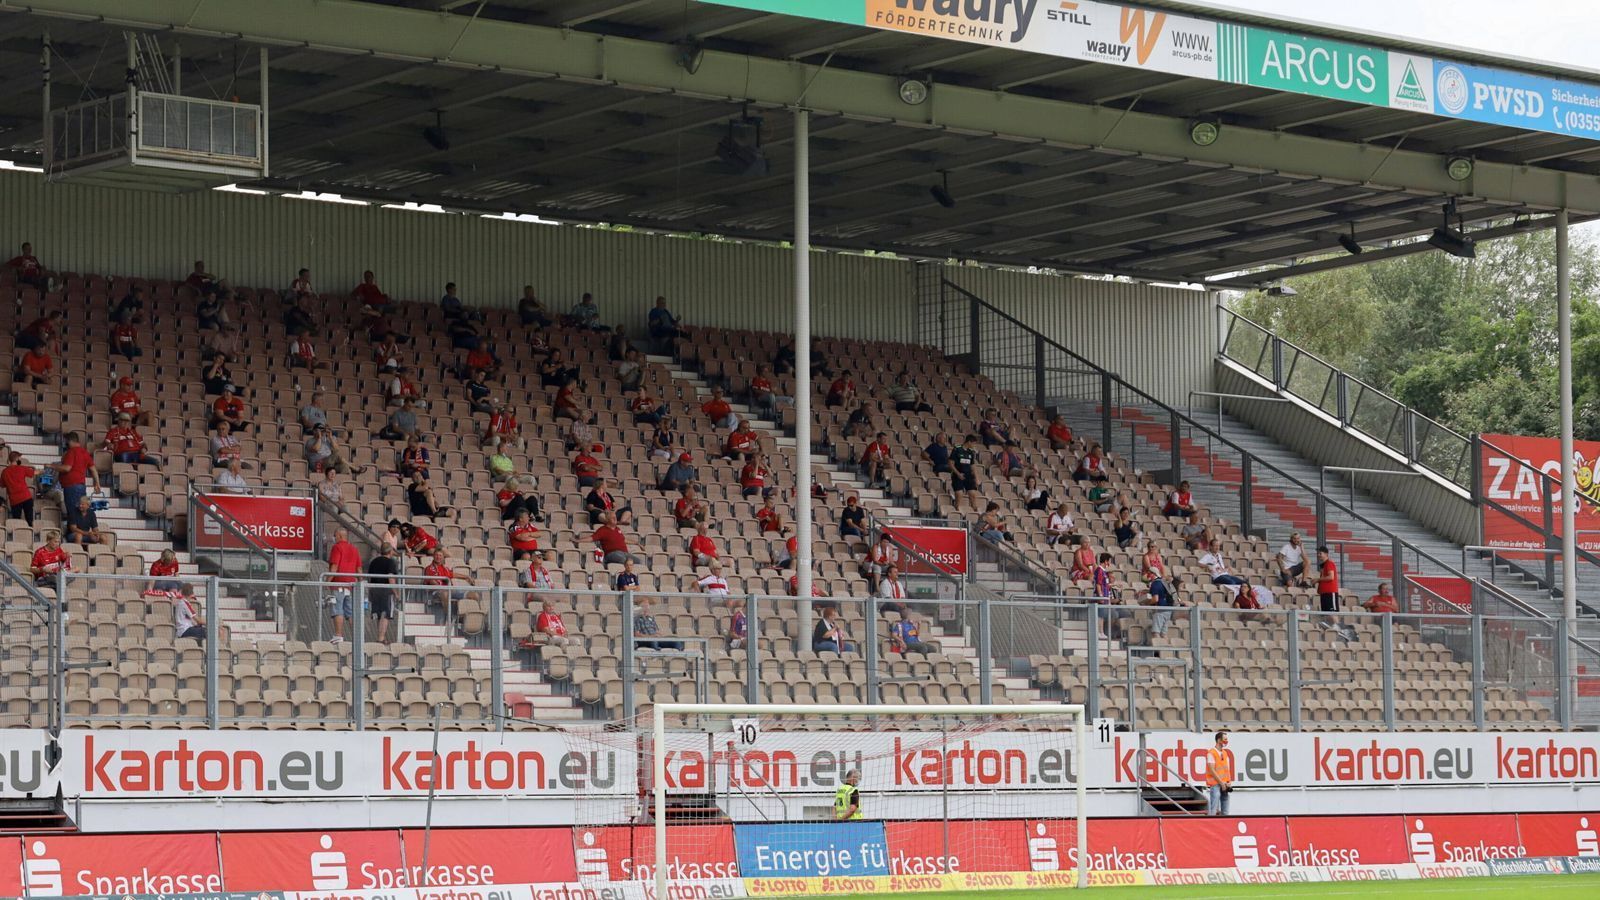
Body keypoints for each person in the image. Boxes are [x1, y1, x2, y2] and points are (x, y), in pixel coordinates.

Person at [326, 529, 362, 643]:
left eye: (335, 535)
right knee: (350, 612)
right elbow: (359, 569)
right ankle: (356, 637)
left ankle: (338, 635)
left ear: (340, 536)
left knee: (337, 609)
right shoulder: (354, 549)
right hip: (350, 585)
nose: (334, 537)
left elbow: (334, 566)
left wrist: (326, 581)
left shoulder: (337, 547)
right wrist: (360, 582)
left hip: (338, 584)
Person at [365, 543, 400, 643]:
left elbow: (369, 577)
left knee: (379, 614)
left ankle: (380, 637)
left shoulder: (373, 561)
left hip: (374, 589)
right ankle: (381, 638)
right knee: (385, 614)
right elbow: (391, 578)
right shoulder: (390, 562)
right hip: (385, 590)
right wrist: (396, 593)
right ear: (390, 551)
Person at [54, 432, 95, 512]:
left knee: (72, 512)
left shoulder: (71, 451)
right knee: (80, 512)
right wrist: (97, 484)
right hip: (81, 487)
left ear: (70, 441)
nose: (66, 443)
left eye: (66, 441)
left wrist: (52, 466)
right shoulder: (85, 453)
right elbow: (93, 469)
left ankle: (72, 524)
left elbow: (67, 468)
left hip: (71, 487)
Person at [2, 451, 36, 525]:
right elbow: (34, 473)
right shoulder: (22, 468)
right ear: (17, 459)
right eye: (19, 458)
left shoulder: (4, 472)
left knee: (16, 522)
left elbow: (2, 485)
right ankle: (30, 534)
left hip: (14, 500)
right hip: (26, 497)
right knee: (30, 520)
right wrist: (42, 471)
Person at [948, 435, 981, 512]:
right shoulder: (957, 449)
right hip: (958, 475)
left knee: (972, 494)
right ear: (969, 442)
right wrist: (958, 474)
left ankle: (975, 511)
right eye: (973, 443)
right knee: (959, 494)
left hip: (968, 476)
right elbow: (950, 463)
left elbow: (973, 466)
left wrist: (976, 478)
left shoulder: (971, 452)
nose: (974, 445)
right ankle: (957, 509)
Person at [1205, 731, 1233, 816]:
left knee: (1225, 810)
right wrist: (1221, 783)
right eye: (1224, 739)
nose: (1226, 741)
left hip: (1224, 784)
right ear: (1218, 740)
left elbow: (1226, 769)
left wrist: (1229, 782)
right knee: (1213, 809)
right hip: (1215, 784)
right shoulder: (1211, 753)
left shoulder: (1224, 753)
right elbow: (1212, 770)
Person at [1316, 546, 1341, 613]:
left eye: (1320, 553)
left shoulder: (1329, 563)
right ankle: (1333, 624)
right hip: (1324, 593)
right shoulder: (1324, 566)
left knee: (1332, 613)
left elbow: (1331, 577)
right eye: (1318, 553)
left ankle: (1337, 624)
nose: (1318, 555)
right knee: (1326, 614)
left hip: (1330, 592)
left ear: (1326, 554)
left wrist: (1318, 579)